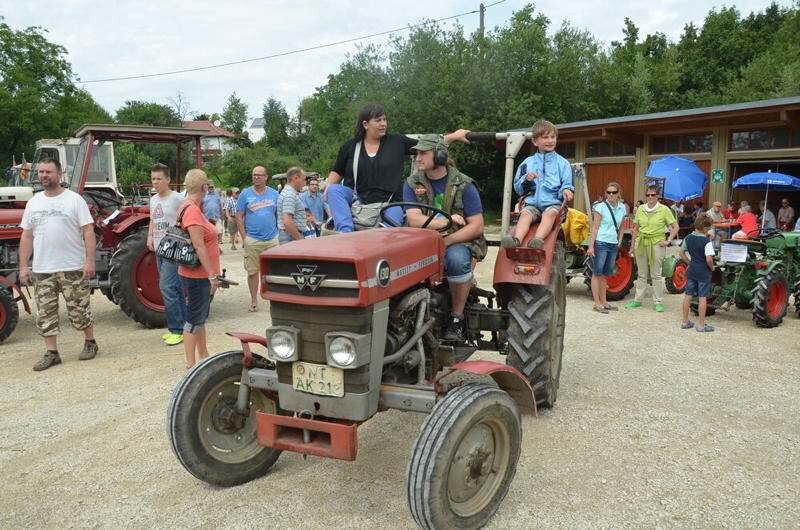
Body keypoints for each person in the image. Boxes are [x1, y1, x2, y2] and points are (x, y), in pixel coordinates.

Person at [324, 103, 470, 233]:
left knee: (388, 236)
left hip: (391, 203)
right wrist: (328, 186)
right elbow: (337, 171)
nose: (383, 124)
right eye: (378, 120)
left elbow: (428, 144)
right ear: (365, 124)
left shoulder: (396, 141)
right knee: (333, 190)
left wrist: (454, 136)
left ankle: (381, 239)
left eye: (384, 119)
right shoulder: (350, 146)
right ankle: (345, 233)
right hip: (358, 201)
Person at [402, 134, 487, 341]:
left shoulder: (464, 184)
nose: (417, 158)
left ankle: (456, 318)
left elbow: (476, 226)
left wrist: (447, 241)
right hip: (422, 239)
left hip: (457, 240)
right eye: (416, 153)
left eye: (423, 153)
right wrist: (444, 222)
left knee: (456, 260)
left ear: (440, 156)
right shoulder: (412, 183)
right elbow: (414, 219)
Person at [18, 158, 98, 371]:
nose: (44, 175)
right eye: (41, 172)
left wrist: (89, 261)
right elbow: (27, 235)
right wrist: (24, 266)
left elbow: (88, 231)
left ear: (60, 174)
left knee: (79, 309)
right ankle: (52, 353)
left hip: (72, 266)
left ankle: (90, 342)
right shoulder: (34, 202)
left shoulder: (74, 200)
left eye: (49, 172)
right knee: (45, 312)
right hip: (43, 268)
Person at [501, 119, 575, 249]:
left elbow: (567, 183)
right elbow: (518, 188)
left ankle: (537, 240)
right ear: (535, 141)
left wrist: (566, 190)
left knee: (549, 214)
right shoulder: (527, 163)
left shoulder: (563, 163)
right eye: (545, 137)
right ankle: (516, 240)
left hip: (553, 204)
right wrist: (526, 179)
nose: (550, 141)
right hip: (532, 204)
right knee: (525, 214)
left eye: (553, 137)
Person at [177, 169, 221, 369]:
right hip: (198, 275)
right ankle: (190, 363)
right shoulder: (192, 210)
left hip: (196, 273)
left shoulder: (188, 206)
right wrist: (211, 274)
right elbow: (198, 245)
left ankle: (203, 354)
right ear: (204, 187)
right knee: (194, 318)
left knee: (200, 316)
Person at [146, 163, 186, 346]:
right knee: (175, 288)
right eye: (153, 179)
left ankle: (176, 330)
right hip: (158, 248)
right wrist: (150, 237)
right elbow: (153, 220)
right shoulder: (154, 199)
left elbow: (187, 219)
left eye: (159, 179)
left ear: (168, 179)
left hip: (173, 249)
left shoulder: (178, 199)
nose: (155, 182)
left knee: (167, 287)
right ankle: (184, 327)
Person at [626, 185, 679, 312]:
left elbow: (675, 227)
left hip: (656, 243)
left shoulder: (664, 209)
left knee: (656, 274)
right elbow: (636, 229)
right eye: (648, 195)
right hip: (641, 242)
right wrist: (632, 246)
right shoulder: (641, 208)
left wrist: (668, 241)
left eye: (653, 195)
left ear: (657, 196)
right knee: (641, 273)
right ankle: (638, 300)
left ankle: (658, 301)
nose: (650, 197)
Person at [236, 166, 279, 312]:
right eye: (254, 175)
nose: (256, 177)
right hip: (253, 239)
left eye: (259, 175)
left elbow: (278, 215)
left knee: (274, 271)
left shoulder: (274, 194)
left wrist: (279, 233)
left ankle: (275, 299)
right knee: (252, 272)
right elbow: (239, 216)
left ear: (266, 177)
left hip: (272, 239)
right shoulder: (245, 194)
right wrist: (244, 237)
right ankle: (254, 300)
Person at [587, 182, 626, 313]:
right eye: (608, 192)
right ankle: (597, 303)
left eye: (614, 192)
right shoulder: (600, 207)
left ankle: (604, 302)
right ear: (605, 194)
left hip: (613, 244)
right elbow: (595, 227)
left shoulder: (622, 208)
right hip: (601, 242)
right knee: (597, 273)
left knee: (606, 274)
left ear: (619, 193)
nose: (611, 195)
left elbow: (622, 227)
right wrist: (591, 246)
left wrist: (619, 242)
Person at [680, 216, 716, 332]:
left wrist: (689, 262)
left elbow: (681, 253)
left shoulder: (688, 237)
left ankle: (685, 321)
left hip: (692, 270)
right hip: (703, 272)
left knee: (688, 295)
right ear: (705, 229)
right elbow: (709, 259)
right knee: (702, 297)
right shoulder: (706, 241)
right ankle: (701, 325)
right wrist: (712, 267)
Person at [277, 167, 307, 245]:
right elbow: (287, 221)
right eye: (303, 179)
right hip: (291, 237)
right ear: (296, 178)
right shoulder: (289, 195)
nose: (305, 183)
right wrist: (300, 239)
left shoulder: (289, 193)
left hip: (290, 236)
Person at [202, 181, 222, 246]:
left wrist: (222, 214)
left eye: (212, 187)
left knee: (219, 232)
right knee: (209, 234)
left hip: (216, 217)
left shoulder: (217, 195)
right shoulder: (203, 194)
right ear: (207, 187)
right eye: (209, 187)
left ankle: (217, 246)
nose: (211, 188)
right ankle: (211, 246)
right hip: (207, 218)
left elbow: (220, 205)